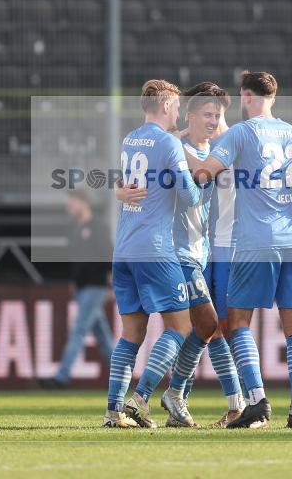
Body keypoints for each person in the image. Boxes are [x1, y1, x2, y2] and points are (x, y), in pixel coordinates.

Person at [185, 71, 292, 429]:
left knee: (237, 323)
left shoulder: (241, 133)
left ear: (246, 96)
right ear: (273, 97)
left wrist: (175, 150)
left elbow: (203, 174)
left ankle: (257, 401)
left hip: (255, 241)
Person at [103, 79, 201, 429]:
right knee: (180, 326)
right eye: (176, 106)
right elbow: (190, 198)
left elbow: (126, 186)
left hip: (124, 248)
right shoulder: (168, 143)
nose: (178, 113)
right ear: (165, 105)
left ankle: (113, 412)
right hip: (155, 248)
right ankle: (141, 398)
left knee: (131, 333)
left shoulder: (130, 139)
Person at [40, 190, 114, 390]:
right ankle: (121, 374)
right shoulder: (72, 229)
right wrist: (74, 282)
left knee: (79, 330)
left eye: (72, 202)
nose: (69, 207)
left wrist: (111, 284)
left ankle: (61, 377)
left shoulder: (98, 227)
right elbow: (74, 260)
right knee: (103, 336)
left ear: (83, 202)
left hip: (96, 286)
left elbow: (108, 255)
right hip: (82, 288)